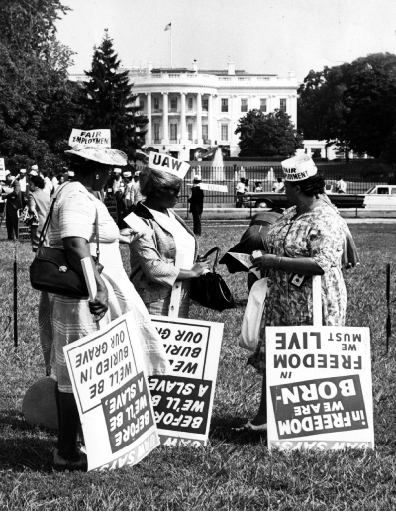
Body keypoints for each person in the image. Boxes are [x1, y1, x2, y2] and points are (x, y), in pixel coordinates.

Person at [41, 135, 169, 470]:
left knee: (92, 367)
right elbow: (74, 242)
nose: (112, 176)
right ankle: (66, 451)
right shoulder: (76, 196)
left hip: (90, 294)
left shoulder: (81, 193)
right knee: (76, 370)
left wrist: (122, 238)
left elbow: (88, 238)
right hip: (82, 298)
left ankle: (83, 439)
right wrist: (96, 286)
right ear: (97, 171)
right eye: (109, 170)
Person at [239, 154, 348, 431]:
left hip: (312, 299)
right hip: (281, 298)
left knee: (307, 356)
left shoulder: (326, 219)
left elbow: (322, 263)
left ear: (298, 189)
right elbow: (278, 241)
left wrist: (275, 262)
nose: (282, 189)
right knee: (277, 355)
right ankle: (263, 420)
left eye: (286, 185)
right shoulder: (290, 213)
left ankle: (304, 423)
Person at [129, 152, 210, 318]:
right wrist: (192, 273)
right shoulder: (137, 219)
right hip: (155, 299)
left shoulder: (169, 213)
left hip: (180, 293)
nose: (179, 195)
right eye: (175, 191)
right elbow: (153, 268)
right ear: (158, 191)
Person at [27, 172, 50, 251]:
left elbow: (32, 209)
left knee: (37, 248)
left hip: (37, 223)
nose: (29, 186)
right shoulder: (47, 195)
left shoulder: (32, 195)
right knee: (46, 245)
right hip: (47, 223)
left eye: (31, 184)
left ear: (36, 185)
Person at [2, 172, 22, 240]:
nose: (6, 181)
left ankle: (17, 236)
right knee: (9, 221)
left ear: (9, 176)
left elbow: (16, 192)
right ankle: (10, 237)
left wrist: (6, 196)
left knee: (15, 221)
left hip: (14, 205)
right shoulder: (11, 183)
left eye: (6, 179)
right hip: (10, 204)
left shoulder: (16, 183)